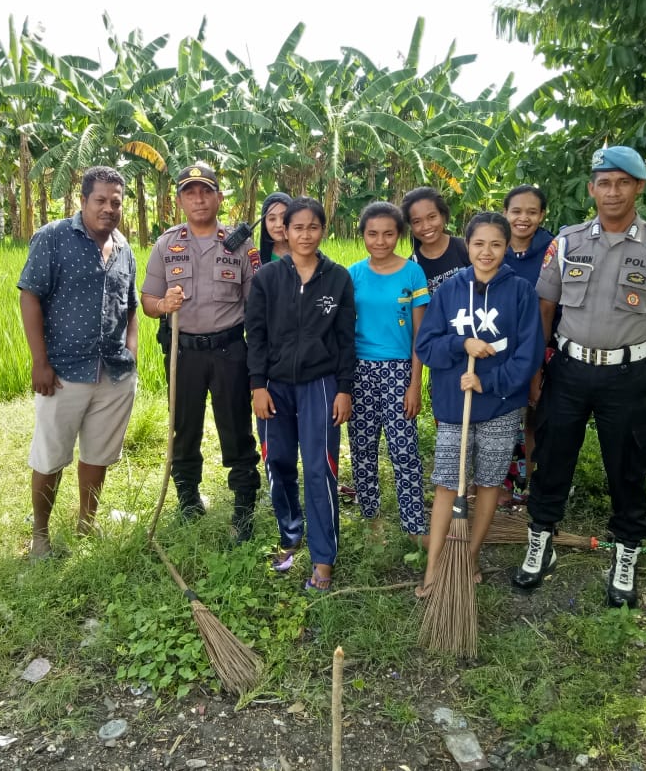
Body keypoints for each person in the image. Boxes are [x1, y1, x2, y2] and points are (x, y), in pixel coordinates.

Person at [512, 146, 646, 608]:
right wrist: (539, 366)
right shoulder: (567, 242)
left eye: (622, 182)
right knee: (552, 456)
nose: (611, 191)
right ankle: (541, 542)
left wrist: (644, 350)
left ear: (638, 187)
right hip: (569, 370)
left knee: (628, 466)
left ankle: (625, 552)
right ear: (592, 188)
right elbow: (545, 307)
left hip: (627, 377)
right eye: (603, 182)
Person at [415, 212, 543, 594]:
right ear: (467, 245)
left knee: (488, 482)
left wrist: (488, 382)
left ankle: (469, 556)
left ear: (507, 247)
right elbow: (426, 346)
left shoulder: (520, 291)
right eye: (478, 244)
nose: (486, 252)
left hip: (501, 405)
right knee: (446, 483)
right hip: (455, 406)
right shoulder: (449, 291)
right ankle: (434, 566)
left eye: (496, 244)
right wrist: (461, 344)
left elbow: (529, 354)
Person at [17, 165, 139, 558]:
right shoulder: (53, 238)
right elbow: (30, 296)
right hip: (64, 370)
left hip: (114, 372)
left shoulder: (124, 248)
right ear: (82, 201)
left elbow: (131, 306)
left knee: (98, 454)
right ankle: (40, 536)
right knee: (51, 455)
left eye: (116, 202)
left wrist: (132, 352)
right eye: (101, 200)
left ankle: (87, 523)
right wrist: (40, 362)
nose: (109, 208)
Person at [140, 164, 262, 542]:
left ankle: (244, 506)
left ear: (218, 197)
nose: (198, 199)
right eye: (190, 192)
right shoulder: (166, 244)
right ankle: (188, 498)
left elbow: (256, 308)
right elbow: (147, 300)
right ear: (179, 200)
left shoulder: (240, 245)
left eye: (206, 191)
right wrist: (164, 305)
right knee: (184, 426)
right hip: (184, 352)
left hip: (229, 350)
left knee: (236, 428)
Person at [245, 196, 355, 593]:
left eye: (313, 227)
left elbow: (345, 340)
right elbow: (254, 336)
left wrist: (344, 389)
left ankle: (323, 559)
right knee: (277, 462)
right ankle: (290, 535)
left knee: (319, 468)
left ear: (322, 230)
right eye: (297, 227)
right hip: (273, 387)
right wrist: (257, 385)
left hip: (321, 386)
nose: (305, 234)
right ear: (284, 232)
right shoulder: (268, 279)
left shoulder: (338, 278)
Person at [347, 202, 429, 540]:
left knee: (404, 449)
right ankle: (371, 517)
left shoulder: (413, 273)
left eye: (388, 234)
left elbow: (419, 336)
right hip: (359, 370)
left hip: (399, 371)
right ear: (363, 235)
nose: (380, 241)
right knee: (362, 446)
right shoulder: (352, 274)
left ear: (399, 235)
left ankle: (414, 524)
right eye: (372, 234)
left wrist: (414, 385)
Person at [501, 185, 556, 505]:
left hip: (542, 345)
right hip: (499, 350)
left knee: (536, 416)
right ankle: (503, 486)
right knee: (503, 418)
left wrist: (539, 357)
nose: (523, 218)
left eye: (532, 212)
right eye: (516, 211)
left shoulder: (554, 250)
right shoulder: (494, 245)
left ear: (542, 215)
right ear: (505, 212)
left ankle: (535, 486)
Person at [401, 186, 469, 295]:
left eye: (432, 217)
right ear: (410, 226)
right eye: (417, 221)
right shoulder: (411, 268)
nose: (426, 226)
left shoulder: (466, 248)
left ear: (442, 216)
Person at [257, 192, 291, 264]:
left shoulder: (311, 256)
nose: (278, 224)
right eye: (272, 219)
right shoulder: (256, 260)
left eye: (284, 217)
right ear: (264, 223)